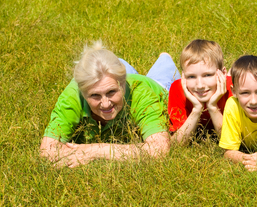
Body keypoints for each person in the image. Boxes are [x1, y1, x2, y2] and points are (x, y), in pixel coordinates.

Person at [40, 41, 180, 167]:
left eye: (111, 92)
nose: (105, 104)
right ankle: (115, 64)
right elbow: (47, 151)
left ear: (124, 85)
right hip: (115, 77)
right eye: (95, 95)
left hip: (159, 85)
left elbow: (159, 150)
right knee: (105, 69)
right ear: (82, 92)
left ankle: (164, 58)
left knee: (165, 71)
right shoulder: (73, 95)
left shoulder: (141, 92)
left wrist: (95, 150)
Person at [168, 39, 233, 144]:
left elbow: (231, 141)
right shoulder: (177, 89)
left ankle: (232, 70)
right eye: (191, 76)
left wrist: (212, 107)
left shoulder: (234, 90)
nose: (200, 86)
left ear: (223, 74)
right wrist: (196, 110)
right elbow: (176, 145)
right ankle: (165, 57)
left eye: (207, 75)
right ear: (183, 76)